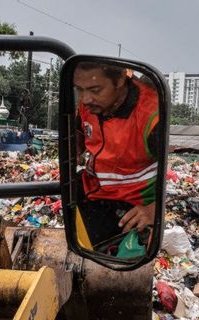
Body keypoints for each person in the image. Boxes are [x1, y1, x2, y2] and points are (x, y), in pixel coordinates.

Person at [74, 62, 159, 248]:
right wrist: (76, 151)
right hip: (92, 191)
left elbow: (170, 172)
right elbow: (78, 130)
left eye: (95, 90)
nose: (85, 99)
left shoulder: (151, 115)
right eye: (79, 90)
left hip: (132, 206)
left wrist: (154, 210)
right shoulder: (90, 104)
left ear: (121, 79)